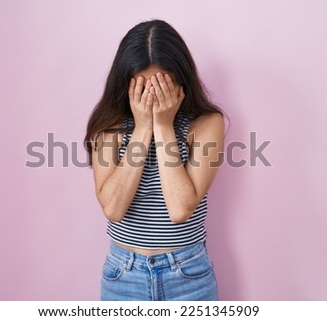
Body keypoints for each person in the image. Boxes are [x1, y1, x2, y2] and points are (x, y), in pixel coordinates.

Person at [84, 19, 225, 301]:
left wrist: (162, 126)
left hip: (189, 274)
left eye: (160, 85)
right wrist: (143, 128)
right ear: (125, 81)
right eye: (142, 86)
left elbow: (180, 208)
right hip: (123, 275)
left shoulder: (206, 123)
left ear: (179, 80)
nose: (152, 96)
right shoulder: (109, 125)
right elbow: (112, 207)